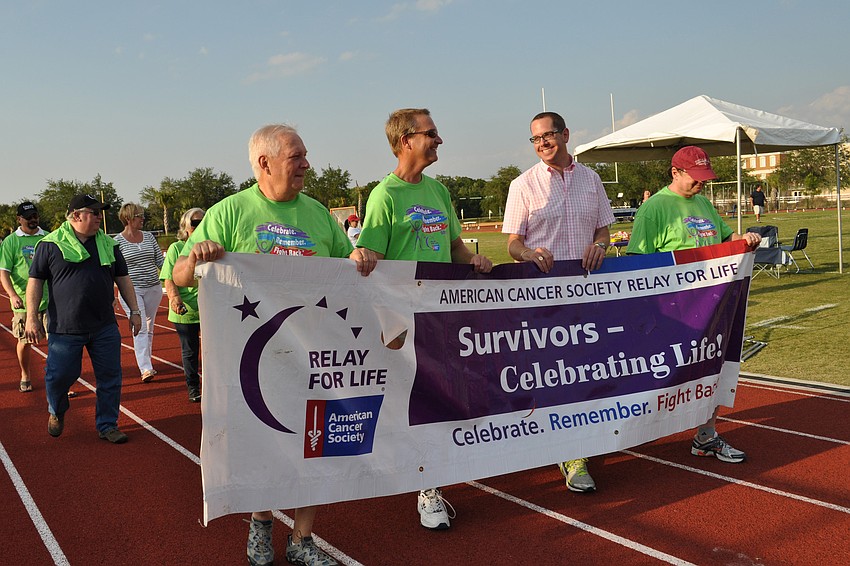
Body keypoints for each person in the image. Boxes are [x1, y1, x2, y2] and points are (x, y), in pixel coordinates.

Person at [172, 124, 377, 566]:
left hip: (315, 355)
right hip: (255, 359)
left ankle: (302, 539)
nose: (306, 164)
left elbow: (344, 268)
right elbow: (181, 277)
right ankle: (261, 522)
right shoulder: (229, 212)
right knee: (263, 444)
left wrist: (357, 257)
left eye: (305, 155)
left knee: (318, 445)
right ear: (264, 163)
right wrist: (197, 257)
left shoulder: (318, 213)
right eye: (296, 156)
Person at [357, 107, 493, 531]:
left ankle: (432, 472)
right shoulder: (385, 195)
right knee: (413, 401)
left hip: (442, 314)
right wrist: (361, 256)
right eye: (431, 133)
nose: (439, 140)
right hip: (402, 317)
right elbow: (373, 255)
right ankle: (425, 486)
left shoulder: (438, 191)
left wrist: (473, 260)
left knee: (444, 394)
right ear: (406, 141)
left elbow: (454, 247)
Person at [502, 111, 615, 494]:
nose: (542, 144)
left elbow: (603, 228)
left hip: (587, 294)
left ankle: (577, 439)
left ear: (565, 134)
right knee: (556, 371)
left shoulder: (592, 179)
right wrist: (527, 253)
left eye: (548, 135)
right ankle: (571, 452)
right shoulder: (523, 184)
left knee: (586, 369)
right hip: (543, 298)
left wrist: (600, 245)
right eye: (535, 139)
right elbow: (513, 242)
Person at [626, 146, 761, 463]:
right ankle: (633, 429)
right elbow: (637, 263)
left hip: (712, 306)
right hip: (673, 311)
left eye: (704, 178)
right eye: (696, 178)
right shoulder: (653, 209)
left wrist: (744, 239)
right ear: (675, 172)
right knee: (664, 373)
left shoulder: (704, 203)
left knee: (713, 368)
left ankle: (706, 435)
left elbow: (726, 239)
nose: (701, 184)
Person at [25, 194, 142, 444]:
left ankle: (107, 425)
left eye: (100, 212)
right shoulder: (50, 244)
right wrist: (32, 317)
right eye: (95, 212)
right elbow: (35, 281)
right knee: (59, 376)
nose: (100, 217)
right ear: (77, 216)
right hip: (65, 328)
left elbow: (123, 278)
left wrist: (134, 311)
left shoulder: (109, 244)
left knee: (110, 377)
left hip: (104, 325)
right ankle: (57, 409)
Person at [0, 202, 49, 392]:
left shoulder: (47, 238)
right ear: (19, 219)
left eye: (35, 216)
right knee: (24, 341)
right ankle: (25, 374)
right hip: (23, 303)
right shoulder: (11, 242)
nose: (33, 220)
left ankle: (58, 380)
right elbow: (4, 272)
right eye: (28, 217)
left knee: (57, 343)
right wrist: (12, 295)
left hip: (49, 301)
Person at [114, 203, 164, 383]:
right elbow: (114, 269)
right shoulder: (117, 242)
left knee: (149, 327)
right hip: (132, 290)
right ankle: (145, 368)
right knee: (140, 327)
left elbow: (160, 262)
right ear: (128, 218)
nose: (143, 218)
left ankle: (147, 361)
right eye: (139, 216)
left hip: (153, 288)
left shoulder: (149, 237)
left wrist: (172, 280)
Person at [160, 207, 205, 403]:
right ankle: (193, 387)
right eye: (195, 223)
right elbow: (168, 277)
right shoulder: (176, 249)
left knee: (215, 350)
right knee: (190, 351)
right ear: (185, 227)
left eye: (203, 221)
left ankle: (214, 387)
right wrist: (174, 298)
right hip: (186, 309)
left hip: (210, 308)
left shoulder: (213, 247)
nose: (199, 225)